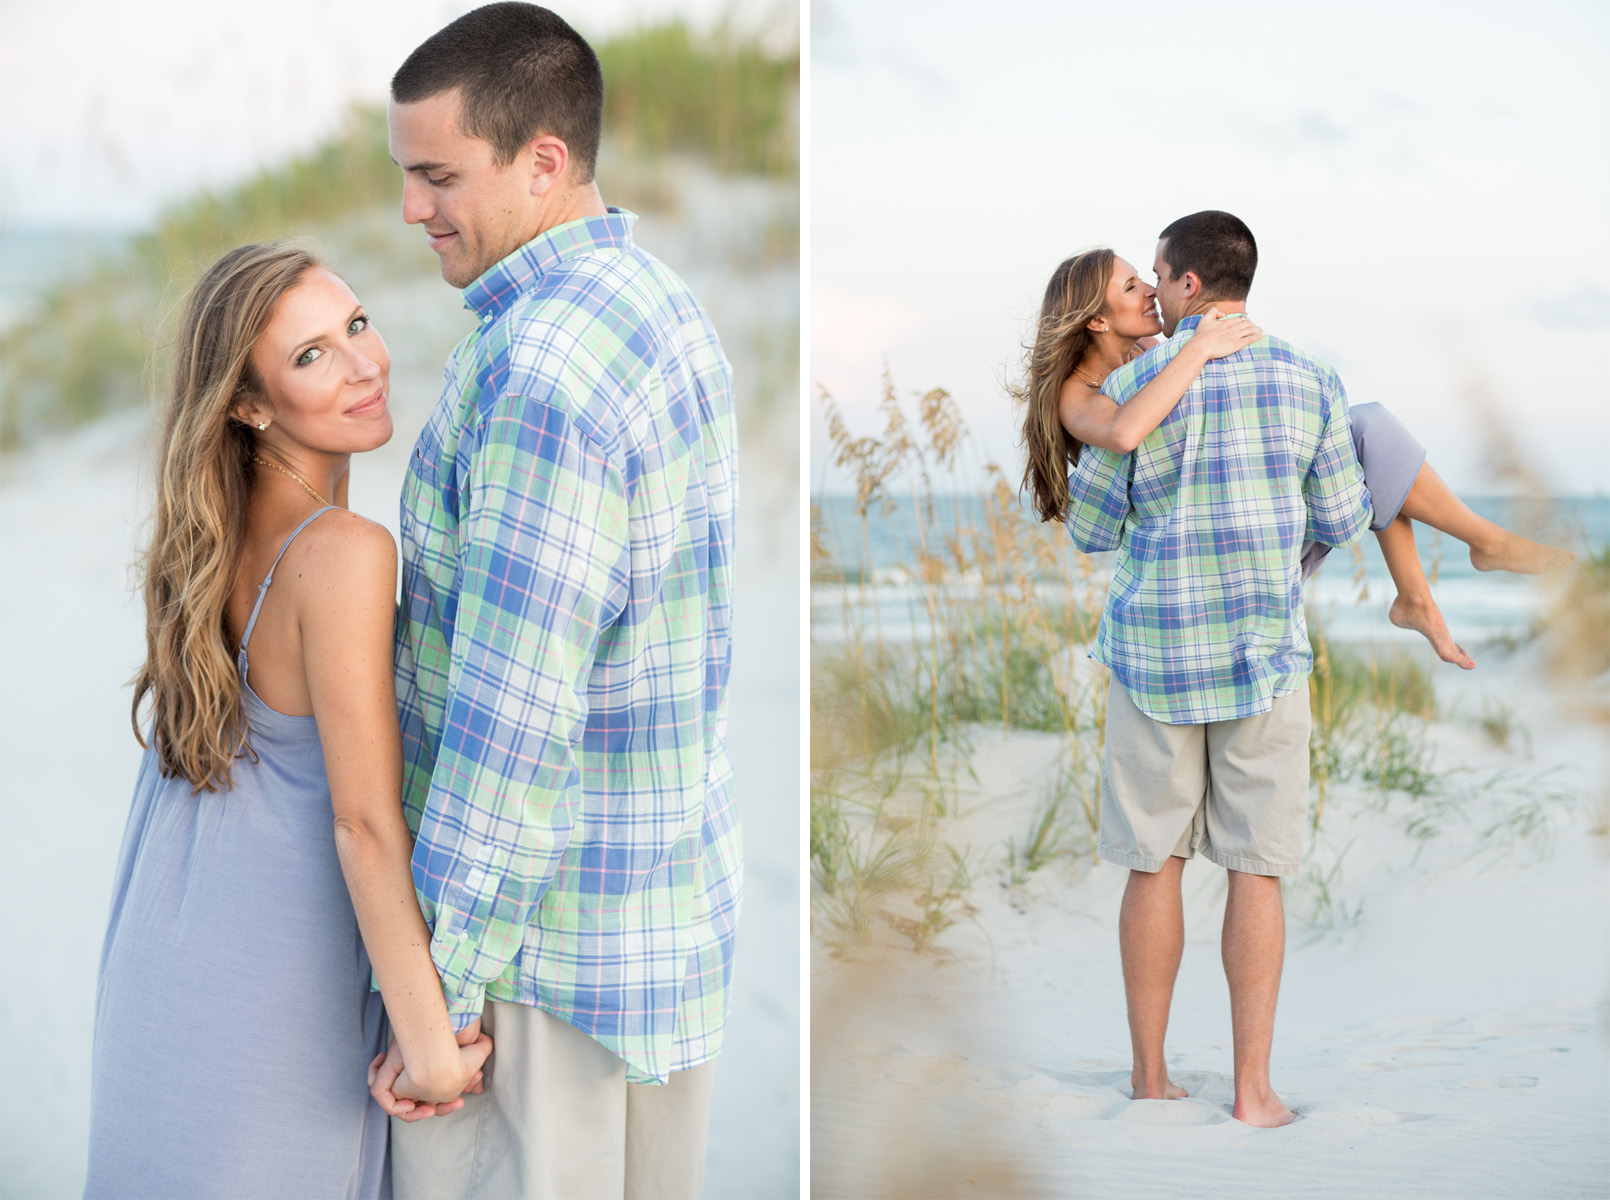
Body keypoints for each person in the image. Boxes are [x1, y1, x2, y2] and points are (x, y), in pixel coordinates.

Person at [374, 5, 740, 1197]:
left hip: (541, 974)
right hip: (660, 935)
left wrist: (440, 999)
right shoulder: (661, 307)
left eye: (437, 176)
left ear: (541, 160)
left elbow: (511, 724)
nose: (415, 208)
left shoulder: (538, 371)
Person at [85, 243, 491, 1198]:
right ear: (249, 404)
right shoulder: (344, 552)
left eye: (355, 325)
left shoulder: (209, 542)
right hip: (271, 990)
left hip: (162, 968)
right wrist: (430, 1047)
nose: (363, 363)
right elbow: (361, 822)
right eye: (311, 355)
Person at [1020, 248, 1572, 671]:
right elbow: (1121, 432)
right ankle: (1469, 556)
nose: (1149, 291)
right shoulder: (1079, 391)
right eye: (1132, 284)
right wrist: (1198, 348)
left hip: (1242, 534)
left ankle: (1425, 591)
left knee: (1366, 432)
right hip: (1212, 562)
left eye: (1148, 279)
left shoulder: (1146, 357)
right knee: (1366, 437)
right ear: (1096, 320)